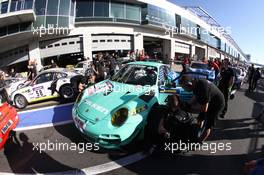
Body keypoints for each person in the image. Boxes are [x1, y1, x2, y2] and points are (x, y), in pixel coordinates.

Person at [179, 76, 225, 141]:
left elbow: (204, 109)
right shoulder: (195, 83)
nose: (184, 90)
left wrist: (191, 110)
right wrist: (187, 104)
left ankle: (200, 141)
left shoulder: (202, 89)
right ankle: (196, 133)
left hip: (217, 104)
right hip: (209, 99)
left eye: (184, 88)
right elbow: (195, 96)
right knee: (200, 118)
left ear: (189, 85)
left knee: (208, 124)